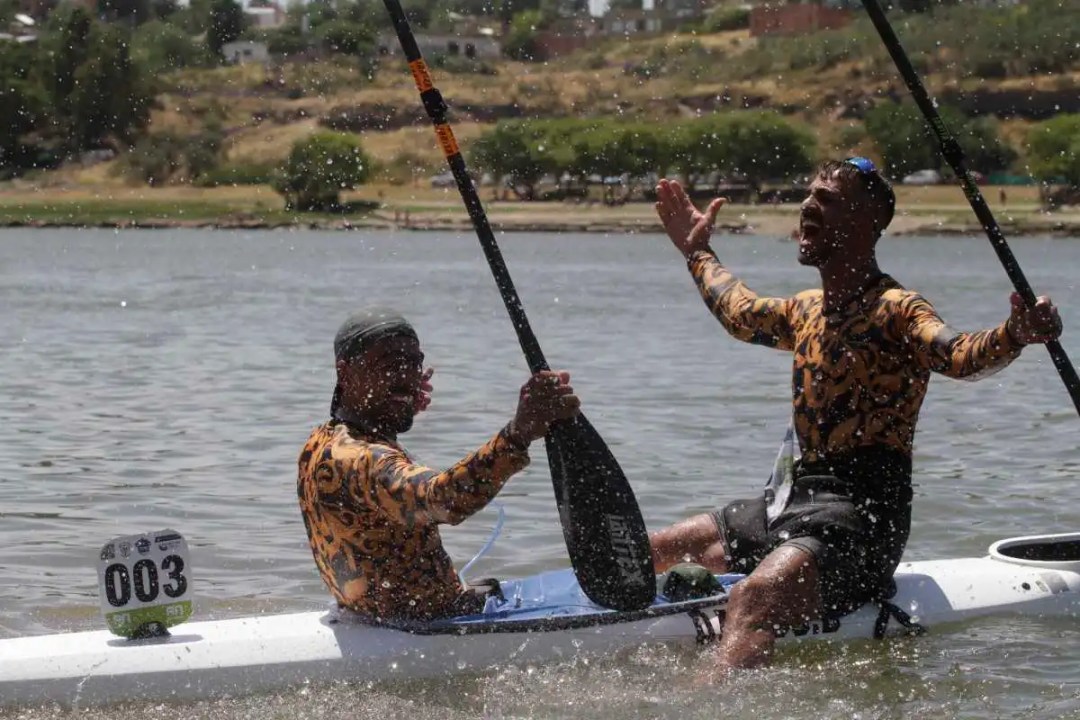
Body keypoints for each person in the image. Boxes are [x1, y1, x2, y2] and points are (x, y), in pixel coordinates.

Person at [649, 158, 1063, 675]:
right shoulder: (805, 310)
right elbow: (738, 313)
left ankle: (713, 703)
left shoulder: (898, 310)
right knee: (648, 551)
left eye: (826, 199)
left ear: (867, 221)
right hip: (791, 502)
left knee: (754, 598)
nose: (807, 205)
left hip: (862, 522)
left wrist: (1014, 334)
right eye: (808, 195)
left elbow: (959, 355)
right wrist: (696, 251)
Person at [297, 307, 581, 622]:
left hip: (370, 615)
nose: (407, 377)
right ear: (345, 373)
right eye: (390, 364)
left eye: (413, 363)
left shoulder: (319, 443)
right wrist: (518, 434)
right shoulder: (365, 461)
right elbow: (442, 499)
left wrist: (391, 406)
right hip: (425, 626)